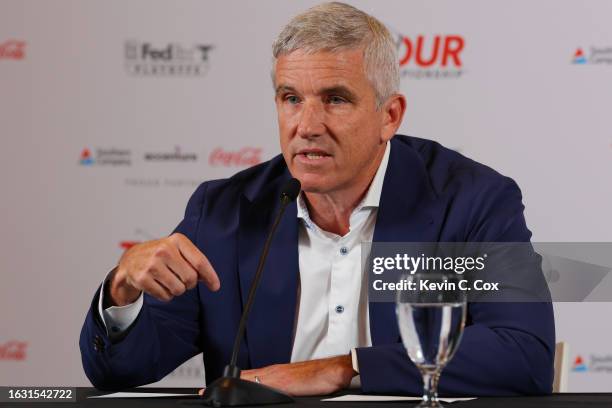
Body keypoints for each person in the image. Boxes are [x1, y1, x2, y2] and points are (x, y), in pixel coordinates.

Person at [79, 2, 555, 396]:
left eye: (335, 99)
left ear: (389, 115)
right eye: (291, 98)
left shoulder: (470, 203)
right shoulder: (224, 213)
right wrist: (123, 289)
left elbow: (522, 352)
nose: (306, 125)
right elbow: (120, 372)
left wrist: (341, 368)